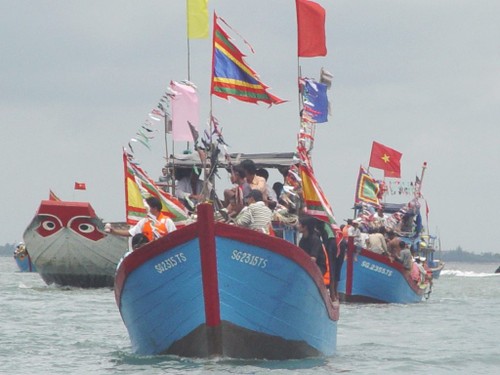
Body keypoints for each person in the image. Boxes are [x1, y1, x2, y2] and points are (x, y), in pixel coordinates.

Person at [107, 196, 176, 242]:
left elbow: (175, 237)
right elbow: (130, 232)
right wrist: (113, 231)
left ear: (155, 208)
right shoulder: (143, 222)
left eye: (146, 207)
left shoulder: (167, 221)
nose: (145, 209)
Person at [298, 215, 328, 280]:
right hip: (307, 266)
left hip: (318, 267)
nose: (297, 226)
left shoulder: (315, 240)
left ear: (305, 227)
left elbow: (313, 259)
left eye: (299, 224)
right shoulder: (302, 241)